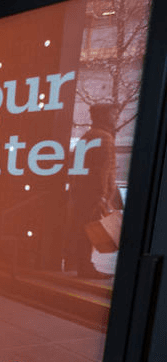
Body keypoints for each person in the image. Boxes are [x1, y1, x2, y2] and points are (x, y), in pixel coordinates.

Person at [68, 103, 123, 279]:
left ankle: (83, 266)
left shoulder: (86, 137)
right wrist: (103, 196)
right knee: (89, 230)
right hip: (94, 195)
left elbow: (73, 166)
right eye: (113, 115)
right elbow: (103, 171)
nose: (116, 119)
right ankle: (86, 268)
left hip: (81, 193)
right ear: (103, 117)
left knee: (83, 229)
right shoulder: (105, 138)